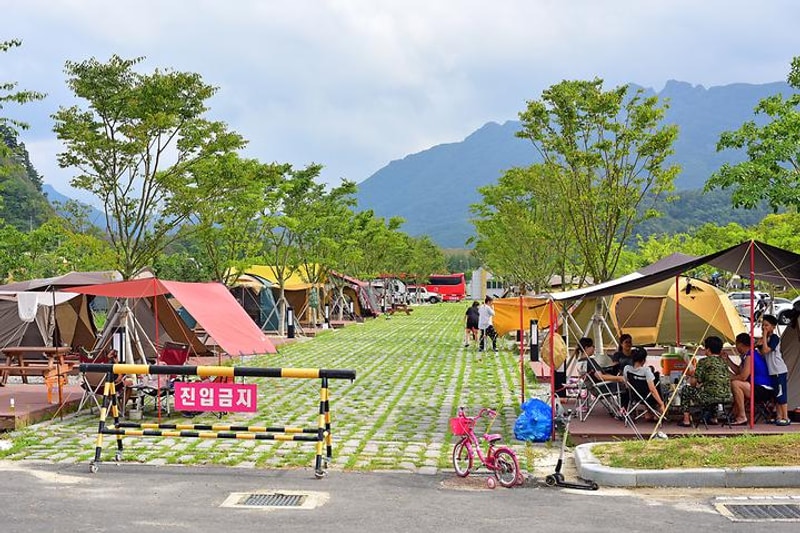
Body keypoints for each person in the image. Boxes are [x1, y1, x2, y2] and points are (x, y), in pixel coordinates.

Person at [678, 336, 733, 427]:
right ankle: (713, 418)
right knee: (712, 389)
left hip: (709, 397)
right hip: (727, 396)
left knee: (686, 390)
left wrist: (692, 376)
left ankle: (686, 420)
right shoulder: (723, 362)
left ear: (708, 349)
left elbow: (693, 383)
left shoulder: (704, 361)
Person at [724, 332, 773, 426]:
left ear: (741, 345)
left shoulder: (750, 355)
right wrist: (728, 361)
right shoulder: (747, 355)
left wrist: (730, 379)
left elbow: (743, 376)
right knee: (735, 381)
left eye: (736, 344)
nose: (736, 346)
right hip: (757, 387)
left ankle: (742, 416)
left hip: (763, 389)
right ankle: (738, 413)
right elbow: (739, 371)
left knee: (736, 383)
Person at [760, 314, 791, 426]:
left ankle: (785, 417)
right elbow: (761, 351)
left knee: (781, 394)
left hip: (779, 370)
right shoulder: (765, 339)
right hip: (772, 371)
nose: (764, 328)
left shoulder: (774, 338)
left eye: (767, 325)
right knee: (776, 394)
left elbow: (766, 350)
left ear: (773, 327)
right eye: (763, 325)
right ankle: (778, 416)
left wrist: (764, 336)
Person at [623, 346, 665, 421]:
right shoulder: (646, 370)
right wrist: (661, 403)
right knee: (662, 392)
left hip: (635, 396)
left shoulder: (627, 369)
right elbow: (652, 389)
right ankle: (657, 414)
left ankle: (648, 413)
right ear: (643, 360)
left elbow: (627, 385)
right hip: (649, 397)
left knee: (645, 392)